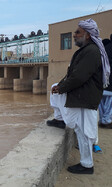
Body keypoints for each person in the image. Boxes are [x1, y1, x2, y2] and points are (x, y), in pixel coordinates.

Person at [47, 19, 110, 174]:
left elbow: (79, 77)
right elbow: (72, 74)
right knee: (81, 131)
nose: (74, 35)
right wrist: (60, 86)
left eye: (77, 32)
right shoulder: (87, 50)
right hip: (83, 96)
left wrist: (62, 88)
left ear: (87, 35)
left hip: (86, 98)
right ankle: (60, 119)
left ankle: (87, 165)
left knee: (86, 133)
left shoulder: (91, 51)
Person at [99, 34, 112, 128]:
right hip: (110, 82)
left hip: (101, 82)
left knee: (102, 102)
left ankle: (102, 120)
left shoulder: (102, 51)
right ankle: (107, 121)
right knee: (110, 104)